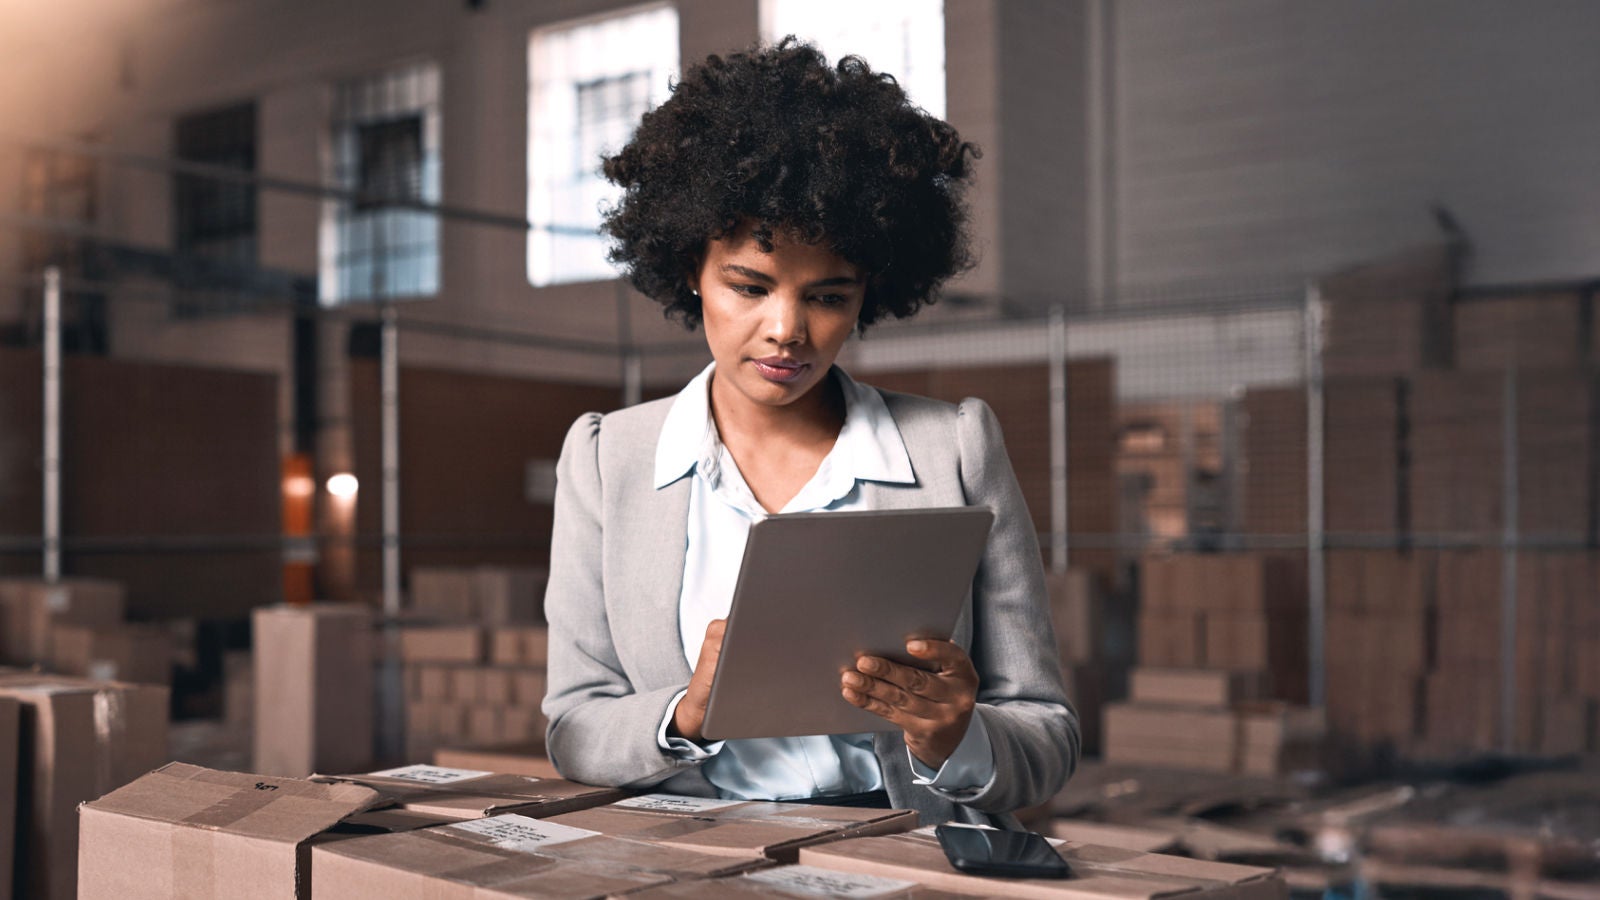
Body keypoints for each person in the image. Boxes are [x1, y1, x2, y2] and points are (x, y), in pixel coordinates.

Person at [542, 39, 1078, 828]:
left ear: (872, 289)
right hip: (691, 853)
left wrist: (956, 736)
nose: (787, 330)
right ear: (691, 265)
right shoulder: (606, 460)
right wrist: (685, 713)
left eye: (829, 295)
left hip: (896, 849)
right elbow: (574, 728)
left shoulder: (953, 450)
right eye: (749, 286)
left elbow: (1048, 735)